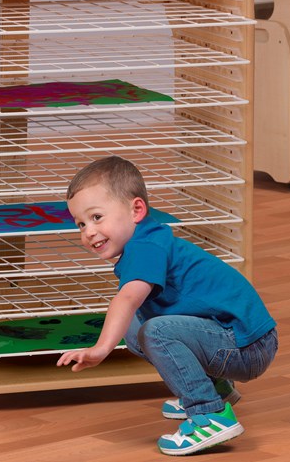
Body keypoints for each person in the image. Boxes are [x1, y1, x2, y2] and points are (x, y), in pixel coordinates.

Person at [56, 156, 277, 456]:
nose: (88, 232)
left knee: (154, 331)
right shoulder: (148, 237)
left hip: (246, 347)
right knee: (136, 327)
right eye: (81, 223)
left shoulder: (146, 248)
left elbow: (127, 298)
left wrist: (101, 349)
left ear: (136, 210)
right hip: (239, 339)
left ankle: (208, 414)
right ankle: (214, 387)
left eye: (96, 217)